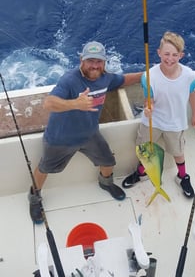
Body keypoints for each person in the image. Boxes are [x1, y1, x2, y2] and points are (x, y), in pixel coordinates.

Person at [29, 41, 143, 224]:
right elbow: (48, 103)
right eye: (90, 61)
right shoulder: (69, 80)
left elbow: (124, 80)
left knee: (108, 161)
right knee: (44, 168)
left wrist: (147, 76)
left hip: (89, 135)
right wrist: (75, 103)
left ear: (104, 63)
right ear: (81, 60)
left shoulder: (106, 78)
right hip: (60, 138)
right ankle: (34, 198)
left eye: (99, 61)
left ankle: (105, 183)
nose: (95, 65)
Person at [122, 31, 195, 198]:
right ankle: (141, 173)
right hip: (153, 121)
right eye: (166, 54)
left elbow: (192, 93)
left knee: (178, 152)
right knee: (145, 150)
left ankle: (182, 177)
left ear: (181, 55)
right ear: (159, 53)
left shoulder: (189, 75)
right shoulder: (149, 76)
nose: (170, 58)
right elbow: (149, 99)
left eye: (174, 55)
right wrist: (148, 108)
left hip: (175, 123)